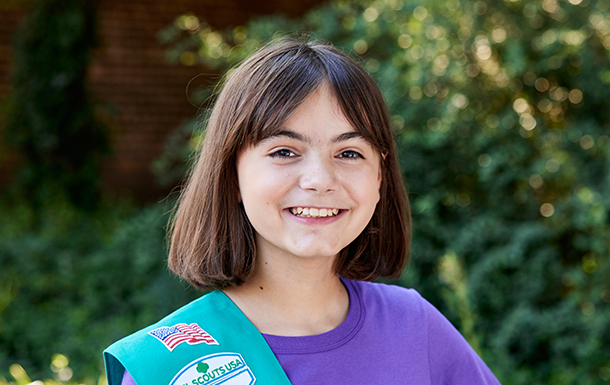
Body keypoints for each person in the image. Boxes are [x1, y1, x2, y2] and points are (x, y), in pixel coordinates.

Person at [104, 39, 501, 385]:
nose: (319, 179)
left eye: (348, 153)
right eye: (284, 152)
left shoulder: (415, 327)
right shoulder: (162, 366)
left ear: (380, 177)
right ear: (231, 175)